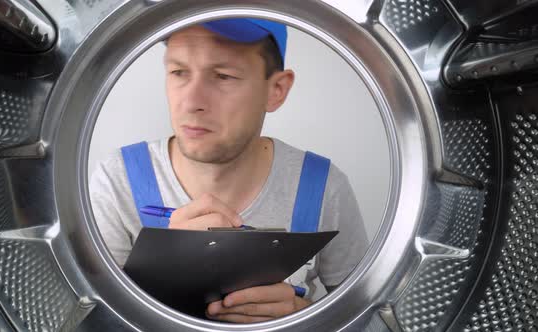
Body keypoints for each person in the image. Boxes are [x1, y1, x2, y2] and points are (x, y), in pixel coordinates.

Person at [89, 18, 368, 323]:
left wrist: (304, 320)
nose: (191, 101)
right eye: (179, 72)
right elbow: (89, 322)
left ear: (276, 90)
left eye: (222, 76)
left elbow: (368, 318)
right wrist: (159, 275)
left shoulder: (324, 187)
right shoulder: (118, 182)